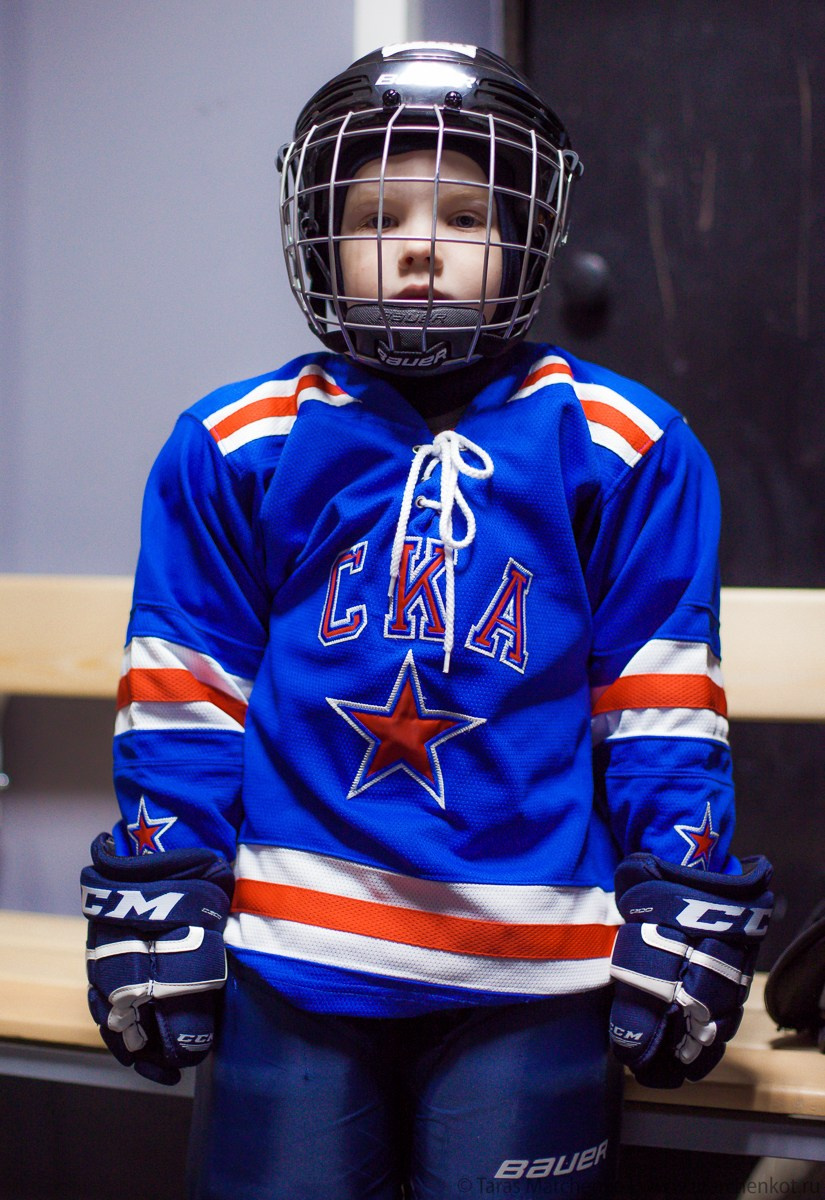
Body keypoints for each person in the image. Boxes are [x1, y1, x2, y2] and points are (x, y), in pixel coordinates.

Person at [80, 42, 773, 1199]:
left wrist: (678, 876)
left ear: (522, 237)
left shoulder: (625, 443)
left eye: (463, 212)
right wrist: (172, 876)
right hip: (293, 960)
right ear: (322, 234)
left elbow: (658, 693)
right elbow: (187, 685)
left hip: (537, 963)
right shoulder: (238, 442)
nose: (418, 244)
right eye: (379, 212)